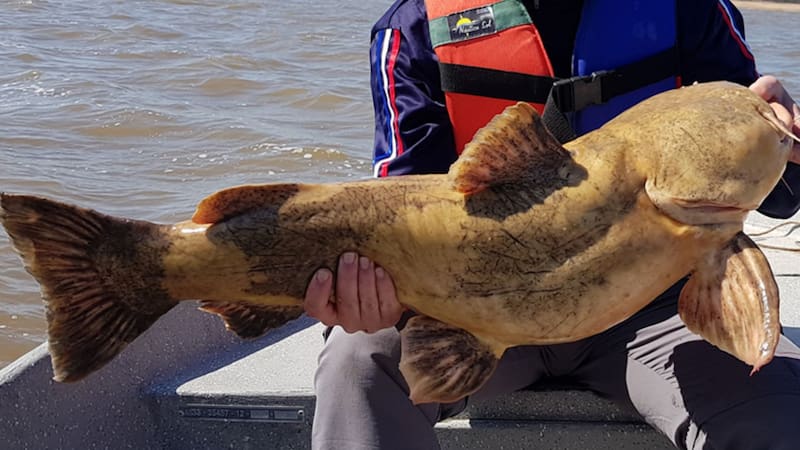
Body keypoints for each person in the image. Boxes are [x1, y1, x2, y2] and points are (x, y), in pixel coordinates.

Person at [305, 1, 800, 449]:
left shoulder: (687, 8)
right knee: (358, 363)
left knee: (778, 411)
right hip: (469, 309)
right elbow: (400, 214)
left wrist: (790, 144)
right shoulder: (412, 27)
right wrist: (368, 292)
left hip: (656, 307)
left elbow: (775, 195)